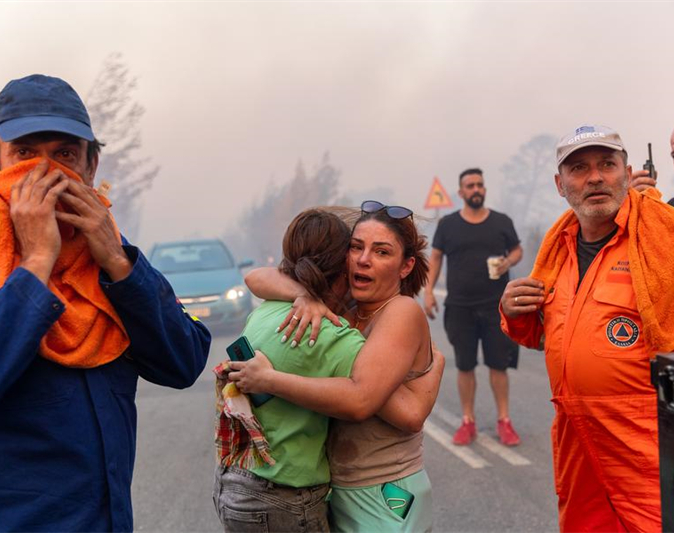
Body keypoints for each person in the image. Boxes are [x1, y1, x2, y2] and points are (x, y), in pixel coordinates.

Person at [0, 74, 211, 531]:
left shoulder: (108, 253)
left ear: (91, 165)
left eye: (64, 154)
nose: (45, 172)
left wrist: (121, 266)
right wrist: (37, 260)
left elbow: (183, 362)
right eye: (25, 154)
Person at [500, 124, 674, 532]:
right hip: (576, 441)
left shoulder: (666, 241)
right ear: (560, 185)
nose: (595, 177)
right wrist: (511, 310)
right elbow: (543, 335)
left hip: (644, 442)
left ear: (627, 173)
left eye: (607, 165)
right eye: (578, 168)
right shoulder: (557, 248)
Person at [230, 201, 442, 533]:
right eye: (356, 247)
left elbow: (364, 401)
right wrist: (304, 294)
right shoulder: (348, 308)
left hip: (387, 492)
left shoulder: (400, 311)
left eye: (382, 252)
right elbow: (255, 277)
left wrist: (271, 380)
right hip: (342, 492)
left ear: (405, 266)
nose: (363, 259)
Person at [214, 208, 363, 532]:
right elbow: (366, 401)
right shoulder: (335, 338)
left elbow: (257, 276)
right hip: (284, 499)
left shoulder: (266, 310)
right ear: (342, 268)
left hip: (235, 485)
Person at [424, 168, 523, 446]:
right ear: (461, 192)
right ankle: (467, 421)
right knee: (465, 366)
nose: (476, 189)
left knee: (498, 366)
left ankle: (504, 421)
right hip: (460, 307)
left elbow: (517, 250)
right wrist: (429, 291)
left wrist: (509, 262)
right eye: (470, 185)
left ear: (485, 189)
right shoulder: (448, 225)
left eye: (480, 184)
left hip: (496, 307)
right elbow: (435, 258)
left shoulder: (502, 222)